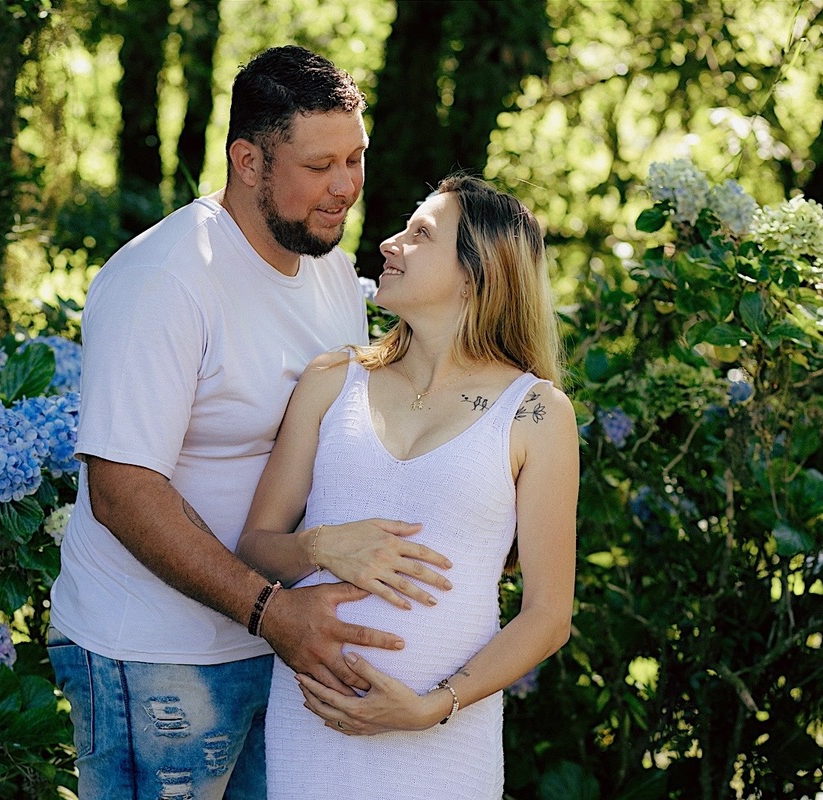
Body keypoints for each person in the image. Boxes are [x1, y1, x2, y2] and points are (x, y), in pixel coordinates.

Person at [46, 46, 451, 800]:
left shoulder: (323, 256)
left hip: (283, 643)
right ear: (248, 161)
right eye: (319, 165)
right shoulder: (164, 282)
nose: (345, 189)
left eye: (355, 159)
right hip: (157, 657)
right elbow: (122, 491)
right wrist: (273, 613)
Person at [236, 174, 579, 799]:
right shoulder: (331, 379)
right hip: (316, 730)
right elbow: (256, 545)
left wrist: (431, 708)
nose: (390, 243)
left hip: (446, 746)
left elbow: (549, 617)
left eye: (421, 234)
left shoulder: (536, 414)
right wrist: (319, 547)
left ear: (479, 271)